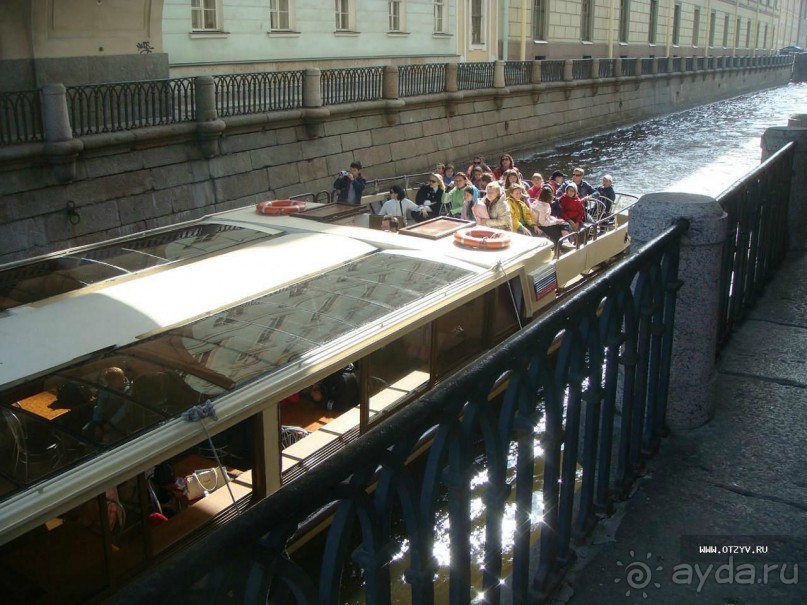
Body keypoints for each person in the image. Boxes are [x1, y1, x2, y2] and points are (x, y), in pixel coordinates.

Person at [90, 366, 135, 441]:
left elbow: (124, 409)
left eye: (121, 378)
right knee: (88, 430)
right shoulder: (105, 391)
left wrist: (110, 424)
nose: (121, 380)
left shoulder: (129, 390)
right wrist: (97, 422)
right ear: (110, 382)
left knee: (108, 438)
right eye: (115, 380)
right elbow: (99, 406)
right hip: (106, 418)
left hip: (122, 419)